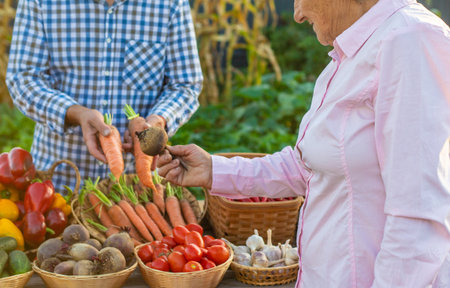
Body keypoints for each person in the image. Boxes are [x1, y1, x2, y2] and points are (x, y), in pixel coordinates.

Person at [156, 0, 450, 287]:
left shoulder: (410, 39)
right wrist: (213, 170)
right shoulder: (352, 54)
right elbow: (307, 166)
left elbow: (419, 218)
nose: (297, 14)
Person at [6, 0, 203, 191]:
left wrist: (157, 122)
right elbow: (23, 79)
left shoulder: (170, 4)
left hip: (137, 190)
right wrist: (76, 114)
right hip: (57, 183)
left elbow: (185, 84)